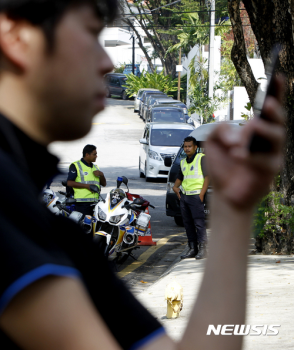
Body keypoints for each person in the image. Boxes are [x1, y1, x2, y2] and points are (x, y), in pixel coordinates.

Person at [0, 1, 285, 350]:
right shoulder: (10, 205)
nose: (109, 64)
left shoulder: (54, 233)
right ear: (15, 35)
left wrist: (234, 212)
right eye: (91, 34)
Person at [173, 136, 209, 260]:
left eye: (189, 146)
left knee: (199, 223)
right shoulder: (183, 162)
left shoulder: (201, 158)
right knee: (187, 224)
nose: (187, 149)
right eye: (185, 146)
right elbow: (179, 178)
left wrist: (202, 194)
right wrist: (175, 188)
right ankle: (193, 248)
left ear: (195, 147)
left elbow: (207, 177)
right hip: (185, 197)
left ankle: (203, 249)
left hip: (196, 196)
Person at [67, 144, 106, 217]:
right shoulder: (76, 165)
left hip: (95, 203)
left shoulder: (95, 167)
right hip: (82, 203)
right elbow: (69, 182)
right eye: (94, 154)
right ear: (87, 154)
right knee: (84, 226)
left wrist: (102, 175)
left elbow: (103, 184)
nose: (96, 156)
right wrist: (87, 186)